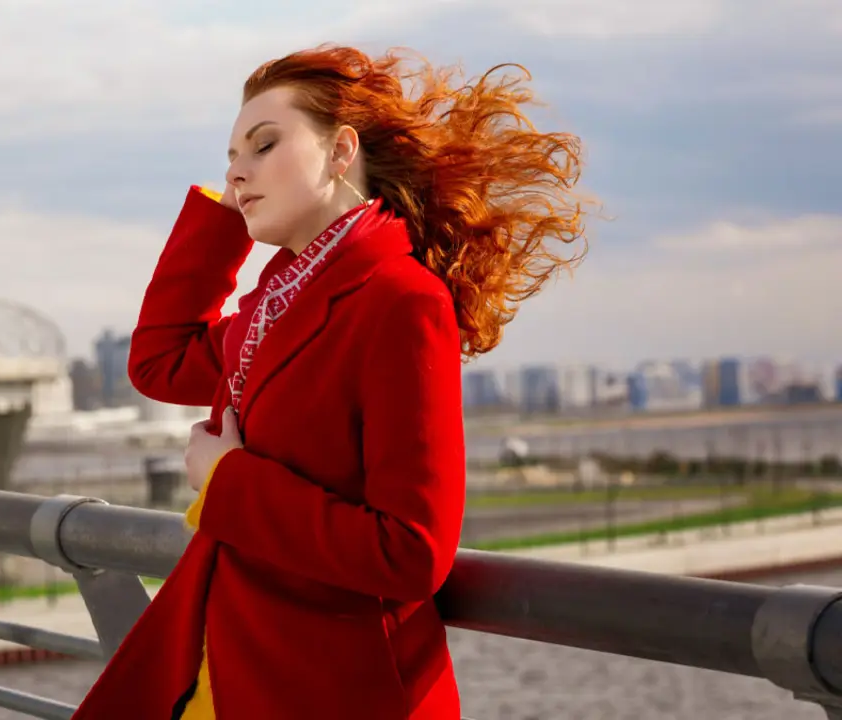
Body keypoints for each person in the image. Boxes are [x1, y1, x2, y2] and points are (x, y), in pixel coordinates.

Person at [71, 44, 588, 719]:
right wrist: (226, 217)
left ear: (341, 152)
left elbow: (411, 552)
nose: (237, 172)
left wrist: (229, 480)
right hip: (226, 667)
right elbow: (159, 361)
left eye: (262, 146)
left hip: (330, 689)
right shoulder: (273, 306)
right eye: (231, 158)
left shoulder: (401, 301)